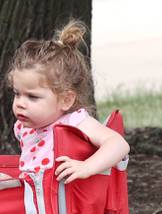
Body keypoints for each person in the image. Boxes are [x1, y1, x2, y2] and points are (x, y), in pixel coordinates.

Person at [7, 20, 129, 183]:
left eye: (32, 97)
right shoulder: (25, 128)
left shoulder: (74, 123)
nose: (20, 103)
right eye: (17, 93)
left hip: (67, 206)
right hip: (37, 203)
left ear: (66, 99)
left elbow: (119, 144)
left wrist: (87, 166)